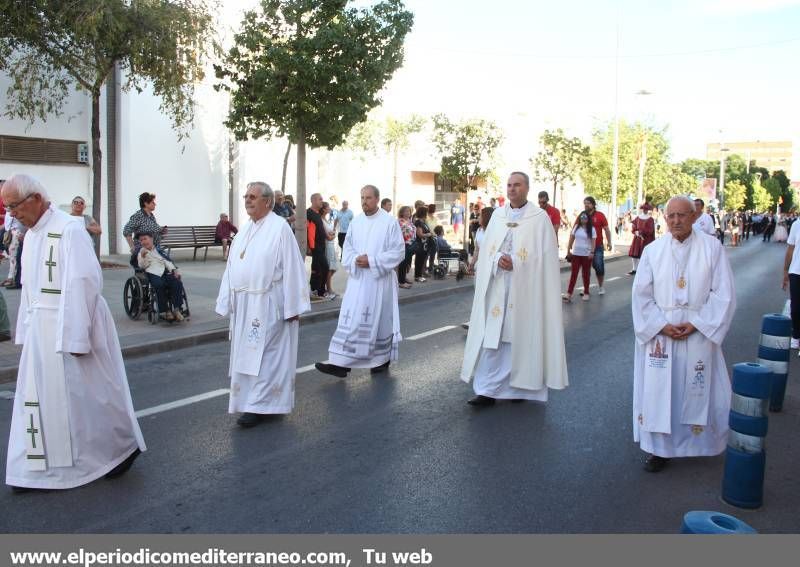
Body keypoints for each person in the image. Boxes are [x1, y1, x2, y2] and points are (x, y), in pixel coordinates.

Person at [2, 174, 145, 491]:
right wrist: (27, 331)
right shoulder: (33, 234)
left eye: (13, 206)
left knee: (90, 396)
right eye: (7, 206)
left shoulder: (70, 230)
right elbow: (30, 288)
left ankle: (122, 447)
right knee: (38, 399)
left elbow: (83, 282)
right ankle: (34, 467)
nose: (10, 213)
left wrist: (76, 337)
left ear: (36, 199)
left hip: (72, 323)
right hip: (42, 328)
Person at [632, 196, 736, 473]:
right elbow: (641, 295)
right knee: (660, 391)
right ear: (664, 218)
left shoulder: (712, 248)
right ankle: (659, 450)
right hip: (661, 334)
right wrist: (659, 325)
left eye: (682, 215)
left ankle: (698, 444)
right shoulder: (652, 251)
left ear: (694, 216)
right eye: (671, 216)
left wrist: (698, 323)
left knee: (695, 387)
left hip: (698, 331)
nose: (676, 221)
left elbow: (723, 293)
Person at [461, 172, 568, 406]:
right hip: (499, 286)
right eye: (509, 185)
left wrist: (518, 264)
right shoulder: (498, 216)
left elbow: (546, 259)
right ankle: (487, 390)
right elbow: (488, 249)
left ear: (526, 188)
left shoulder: (539, 219)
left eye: (517, 185)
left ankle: (521, 389)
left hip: (526, 290)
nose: (512, 189)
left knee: (521, 338)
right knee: (494, 339)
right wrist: (498, 258)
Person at [215, 181, 310, 428]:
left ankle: (258, 406)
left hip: (269, 304)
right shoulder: (245, 230)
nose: (247, 200)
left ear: (267, 201)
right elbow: (231, 268)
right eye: (246, 196)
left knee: (265, 356)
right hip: (245, 304)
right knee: (247, 354)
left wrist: (294, 307)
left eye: (253, 196)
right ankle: (252, 401)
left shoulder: (279, 229)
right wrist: (226, 300)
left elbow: (293, 268)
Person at [315, 185, 405, 378]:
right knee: (352, 320)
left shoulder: (389, 223)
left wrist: (372, 261)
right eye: (362, 197)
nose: (364, 201)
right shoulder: (356, 223)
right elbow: (347, 249)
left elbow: (398, 252)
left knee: (379, 321)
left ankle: (380, 360)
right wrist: (356, 259)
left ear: (377, 199)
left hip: (379, 282)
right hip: (358, 281)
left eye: (368, 198)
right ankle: (340, 363)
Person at [136, 232, 186, 322]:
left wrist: (174, 270)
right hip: (153, 272)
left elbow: (167, 261)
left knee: (177, 282)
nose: (143, 241)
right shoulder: (141, 252)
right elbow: (142, 266)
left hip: (165, 272)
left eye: (145, 238)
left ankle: (177, 309)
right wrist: (143, 257)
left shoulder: (159, 250)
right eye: (141, 240)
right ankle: (165, 311)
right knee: (159, 285)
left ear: (151, 239)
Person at [562, 212, 596, 302]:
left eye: (585, 217)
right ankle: (569, 294)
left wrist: (592, 252)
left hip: (586, 254)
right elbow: (571, 238)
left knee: (585, 274)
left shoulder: (592, 229)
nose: (583, 219)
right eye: (581, 217)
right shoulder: (576, 227)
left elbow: (593, 242)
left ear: (588, 219)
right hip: (576, 254)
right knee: (574, 274)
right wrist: (568, 249)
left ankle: (586, 292)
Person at [123, 192, 166, 258]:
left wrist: (161, 231)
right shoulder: (138, 216)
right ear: (146, 204)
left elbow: (152, 228)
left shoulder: (151, 216)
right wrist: (132, 247)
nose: (155, 204)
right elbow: (126, 230)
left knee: (167, 264)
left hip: (154, 249)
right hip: (144, 250)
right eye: (153, 202)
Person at [584, 196, 613, 295]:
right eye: (585, 203)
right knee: (585, 269)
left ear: (593, 204)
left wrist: (609, 242)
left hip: (597, 247)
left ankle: (601, 287)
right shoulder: (583, 216)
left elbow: (607, 230)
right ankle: (586, 289)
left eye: (588, 203)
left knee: (599, 266)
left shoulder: (600, 215)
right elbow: (575, 228)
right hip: (585, 247)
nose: (586, 205)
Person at [307, 193, 331, 301]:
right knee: (324, 267)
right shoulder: (309, 213)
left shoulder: (317, 214)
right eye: (320, 199)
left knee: (318, 268)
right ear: (313, 201)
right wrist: (311, 247)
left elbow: (320, 229)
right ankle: (318, 291)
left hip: (322, 246)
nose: (322, 201)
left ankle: (318, 291)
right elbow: (309, 232)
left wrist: (327, 236)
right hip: (315, 247)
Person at [782, 218, 800, 349]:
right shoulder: (796, 224)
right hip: (796, 271)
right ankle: (796, 335)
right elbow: (790, 249)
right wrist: (785, 271)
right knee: (796, 306)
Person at [627, 203, 656, 275]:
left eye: (646, 209)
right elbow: (634, 227)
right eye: (644, 209)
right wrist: (636, 232)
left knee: (643, 255)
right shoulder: (638, 217)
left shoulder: (650, 219)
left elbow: (651, 230)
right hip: (637, 239)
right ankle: (634, 269)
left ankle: (642, 269)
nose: (645, 210)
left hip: (646, 240)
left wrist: (642, 232)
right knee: (634, 254)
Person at [468, 207, 494, 274]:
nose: (478, 217)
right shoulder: (479, 231)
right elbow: (477, 250)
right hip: (480, 266)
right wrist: (472, 263)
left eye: (481, 215)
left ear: (486, 217)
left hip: (491, 266)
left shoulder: (494, 232)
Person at [321, 202, 338, 299]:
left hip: (332, 245)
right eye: (328, 207)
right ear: (324, 209)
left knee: (333, 268)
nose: (330, 208)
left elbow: (331, 233)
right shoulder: (321, 220)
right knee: (329, 268)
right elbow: (328, 236)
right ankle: (328, 288)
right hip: (327, 245)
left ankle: (328, 287)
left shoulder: (326, 219)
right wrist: (332, 235)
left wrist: (332, 233)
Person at [412, 206, 433, 283]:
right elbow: (420, 234)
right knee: (419, 260)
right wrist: (428, 234)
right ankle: (417, 276)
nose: (427, 214)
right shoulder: (418, 222)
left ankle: (420, 275)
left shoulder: (423, 222)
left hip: (425, 245)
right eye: (426, 212)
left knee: (422, 260)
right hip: (420, 244)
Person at [397, 205, 416, 289]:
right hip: (403, 244)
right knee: (403, 263)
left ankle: (403, 278)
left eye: (409, 211)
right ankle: (401, 282)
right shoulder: (400, 221)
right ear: (402, 212)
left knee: (407, 263)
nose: (408, 213)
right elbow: (402, 232)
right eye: (406, 211)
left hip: (410, 244)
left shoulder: (409, 220)